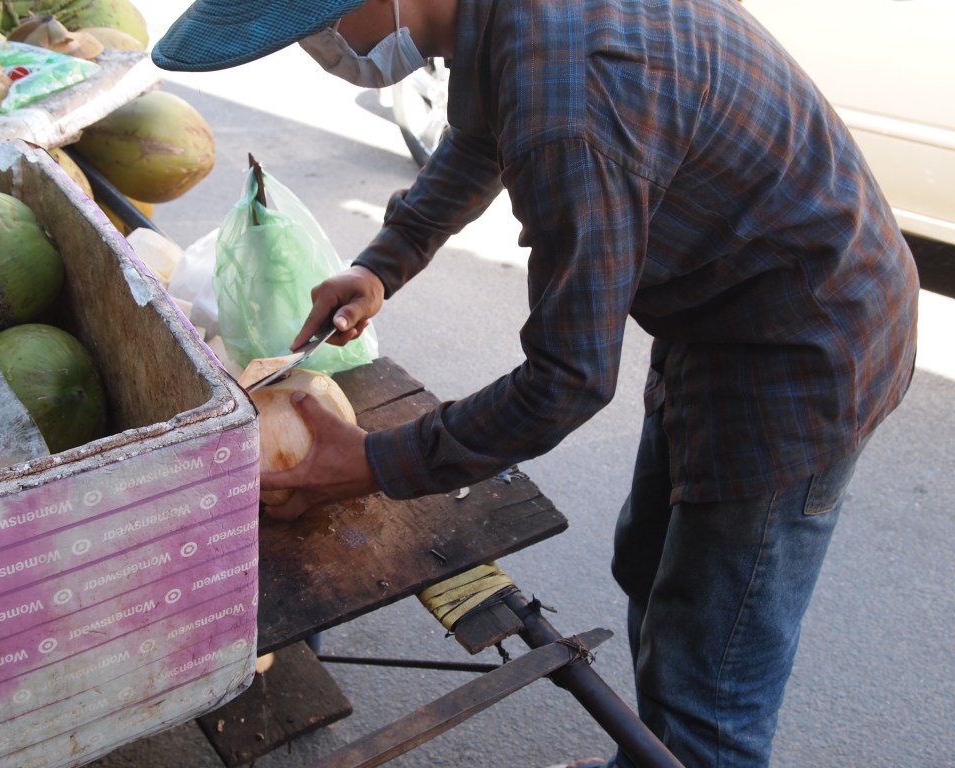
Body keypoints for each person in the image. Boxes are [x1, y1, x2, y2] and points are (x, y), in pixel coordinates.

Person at [153, 1, 919, 766]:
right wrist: (386, 258)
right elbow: (478, 136)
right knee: (649, 563)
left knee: (711, 679)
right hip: (724, 319)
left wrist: (373, 463)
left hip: (799, 360)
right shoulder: (510, 26)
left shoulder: (571, 102)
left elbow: (566, 380)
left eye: (316, 29)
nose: (320, 52)